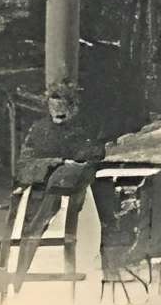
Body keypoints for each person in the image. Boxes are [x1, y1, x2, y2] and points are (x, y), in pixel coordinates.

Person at [7, 92, 102, 277]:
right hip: (41, 185)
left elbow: (96, 153)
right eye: (53, 107)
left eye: (62, 106)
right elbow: (25, 163)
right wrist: (56, 162)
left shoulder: (83, 130)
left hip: (77, 188)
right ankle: (20, 275)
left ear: (72, 108)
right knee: (31, 228)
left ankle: (77, 272)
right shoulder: (39, 130)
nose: (58, 111)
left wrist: (78, 164)